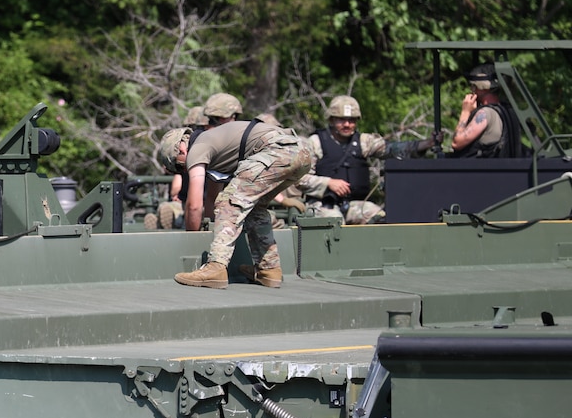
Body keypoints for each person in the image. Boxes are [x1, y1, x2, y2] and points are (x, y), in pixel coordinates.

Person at [158, 117, 312, 289]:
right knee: (255, 208)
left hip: (276, 151)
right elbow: (211, 197)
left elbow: (194, 205)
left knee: (229, 203)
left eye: (180, 167)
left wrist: (192, 238)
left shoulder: (197, 148)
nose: (185, 170)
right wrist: (210, 227)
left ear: (180, 149)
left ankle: (216, 268)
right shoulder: (214, 144)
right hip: (299, 152)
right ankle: (268, 270)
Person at [303, 95, 433, 224]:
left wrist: (425, 144)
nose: (347, 124)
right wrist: (328, 183)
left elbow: (391, 149)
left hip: (353, 204)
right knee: (333, 221)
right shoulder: (315, 142)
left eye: (352, 120)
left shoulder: (363, 142)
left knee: (380, 217)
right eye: (341, 120)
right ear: (331, 120)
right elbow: (300, 179)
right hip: (322, 204)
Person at [450, 62, 527, 158]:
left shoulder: (485, 113)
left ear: (483, 87)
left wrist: (465, 112)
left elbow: (457, 143)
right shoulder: (508, 110)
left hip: (481, 171)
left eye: (474, 86)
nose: (472, 89)